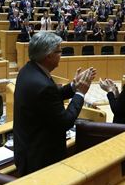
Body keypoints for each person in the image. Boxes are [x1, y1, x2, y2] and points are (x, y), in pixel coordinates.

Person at [13, 32, 96, 175]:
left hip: (27, 148)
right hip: (40, 158)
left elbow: (49, 98)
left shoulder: (28, 70)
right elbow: (65, 121)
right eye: (59, 51)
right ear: (49, 55)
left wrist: (73, 86)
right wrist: (80, 93)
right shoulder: (42, 84)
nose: (61, 55)